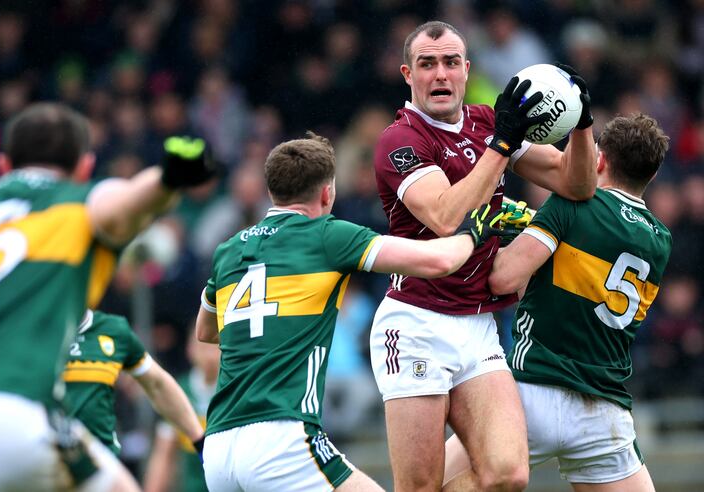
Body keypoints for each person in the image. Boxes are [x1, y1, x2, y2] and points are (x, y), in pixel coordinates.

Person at [0, 102, 214, 492]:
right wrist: (169, 178)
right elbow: (123, 205)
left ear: (2, 164)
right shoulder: (77, 203)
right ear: (85, 166)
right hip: (11, 420)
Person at [195, 132, 509, 492]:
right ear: (328, 192)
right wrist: (477, 230)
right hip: (281, 437)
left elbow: (206, 331)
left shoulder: (229, 250)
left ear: (271, 192)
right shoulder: (326, 235)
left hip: (219, 446)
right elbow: (440, 261)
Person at [370, 20, 598, 492]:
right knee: (418, 485)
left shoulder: (485, 123)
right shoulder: (399, 139)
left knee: (508, 475)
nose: (440, 75)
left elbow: (578, 185)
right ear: (407, 75)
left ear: (466, 70)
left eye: (451, 63)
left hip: (477, 324)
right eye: (427, 64)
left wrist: (582, 125)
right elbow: (446, 217)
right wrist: (502, 145)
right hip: (415, 324)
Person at [444, 113, 672, 491]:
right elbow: (585, 268)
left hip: (534, 391)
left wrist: (493, 235)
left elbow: (504, 279)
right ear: (651, 175)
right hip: (603, 410)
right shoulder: (660, 239)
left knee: (428, 483)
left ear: (599, 160)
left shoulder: (572, 204)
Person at [62, 309, 204, 457]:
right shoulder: (37, 329)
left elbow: (157, 384)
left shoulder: (112, 329)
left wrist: (201, 443)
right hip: (46, 461)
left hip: (101, 465)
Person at [143, 327, 221, 492]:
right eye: (203, 347)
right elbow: (163, 454)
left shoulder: (234, 390)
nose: (210, 355)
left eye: (215, 347)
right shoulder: (180, 391)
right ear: (190, 349)